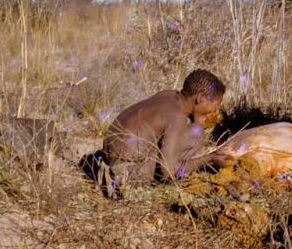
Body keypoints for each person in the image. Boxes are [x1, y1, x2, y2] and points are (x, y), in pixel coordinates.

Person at [86, 69, 230, 195]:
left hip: (109, 154)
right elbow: (168, 171)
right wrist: (210, 158)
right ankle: (121, 182)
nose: (215, 111)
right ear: (200, 99)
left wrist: (198, 117)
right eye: (215, 105)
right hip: (127, 169)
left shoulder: (168, 95)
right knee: (196, 133)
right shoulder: (176, 116)